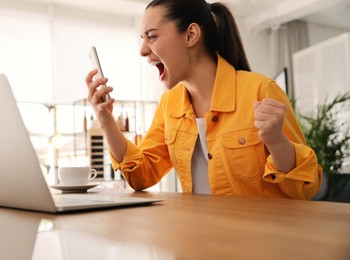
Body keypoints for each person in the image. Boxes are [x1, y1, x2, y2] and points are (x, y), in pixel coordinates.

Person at [86, 0, 322, 199]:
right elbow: (141, 176)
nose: (142, 50)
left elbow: (304, 188)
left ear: (191, 35)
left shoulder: (261, 90)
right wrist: (105, 120)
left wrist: (277, 142)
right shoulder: (170, 103)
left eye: (152, 37)